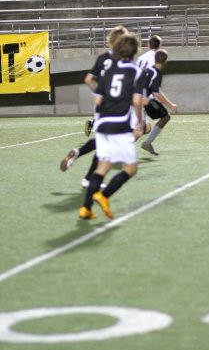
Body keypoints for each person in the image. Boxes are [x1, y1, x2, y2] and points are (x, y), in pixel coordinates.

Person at [79, 33, 144, 220]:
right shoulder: (135, 71)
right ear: (134, 51)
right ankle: (104, 196)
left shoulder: (108, 72)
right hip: (120, 126)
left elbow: (98, 98)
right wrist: (138, 123)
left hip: (102, 124)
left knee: (103, 166)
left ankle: (86, 208)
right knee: (130, 169)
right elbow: (137, 100)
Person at [60, 24, 129, 188]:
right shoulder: (123, 61)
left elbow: (88, 79)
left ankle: (83, 166)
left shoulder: (103, 58)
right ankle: (89, 178)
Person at [140, 49, 177, 156]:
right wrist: (170, 105)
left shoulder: (148, 70)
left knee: (141, 128)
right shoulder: (156, 73)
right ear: (165, 62)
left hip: (138, 99)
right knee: (139, 130)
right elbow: (157, 94)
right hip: (142, 101)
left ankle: (147, 143)